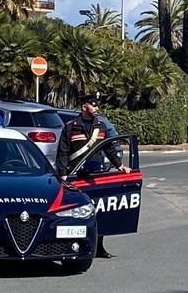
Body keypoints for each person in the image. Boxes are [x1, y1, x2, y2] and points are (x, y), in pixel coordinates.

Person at [55, 94, 131, 259]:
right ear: (84, 107)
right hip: (77, 175)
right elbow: (63, 153)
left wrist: (119, 165)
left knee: (100, 211)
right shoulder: (70, 127)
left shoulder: (100, 126)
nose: (97, 108)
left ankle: (99, 247)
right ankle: (73, 246)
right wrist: (63, 174)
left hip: (97, 175)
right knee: (76, 211)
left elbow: (109, 148)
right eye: (93, 105)